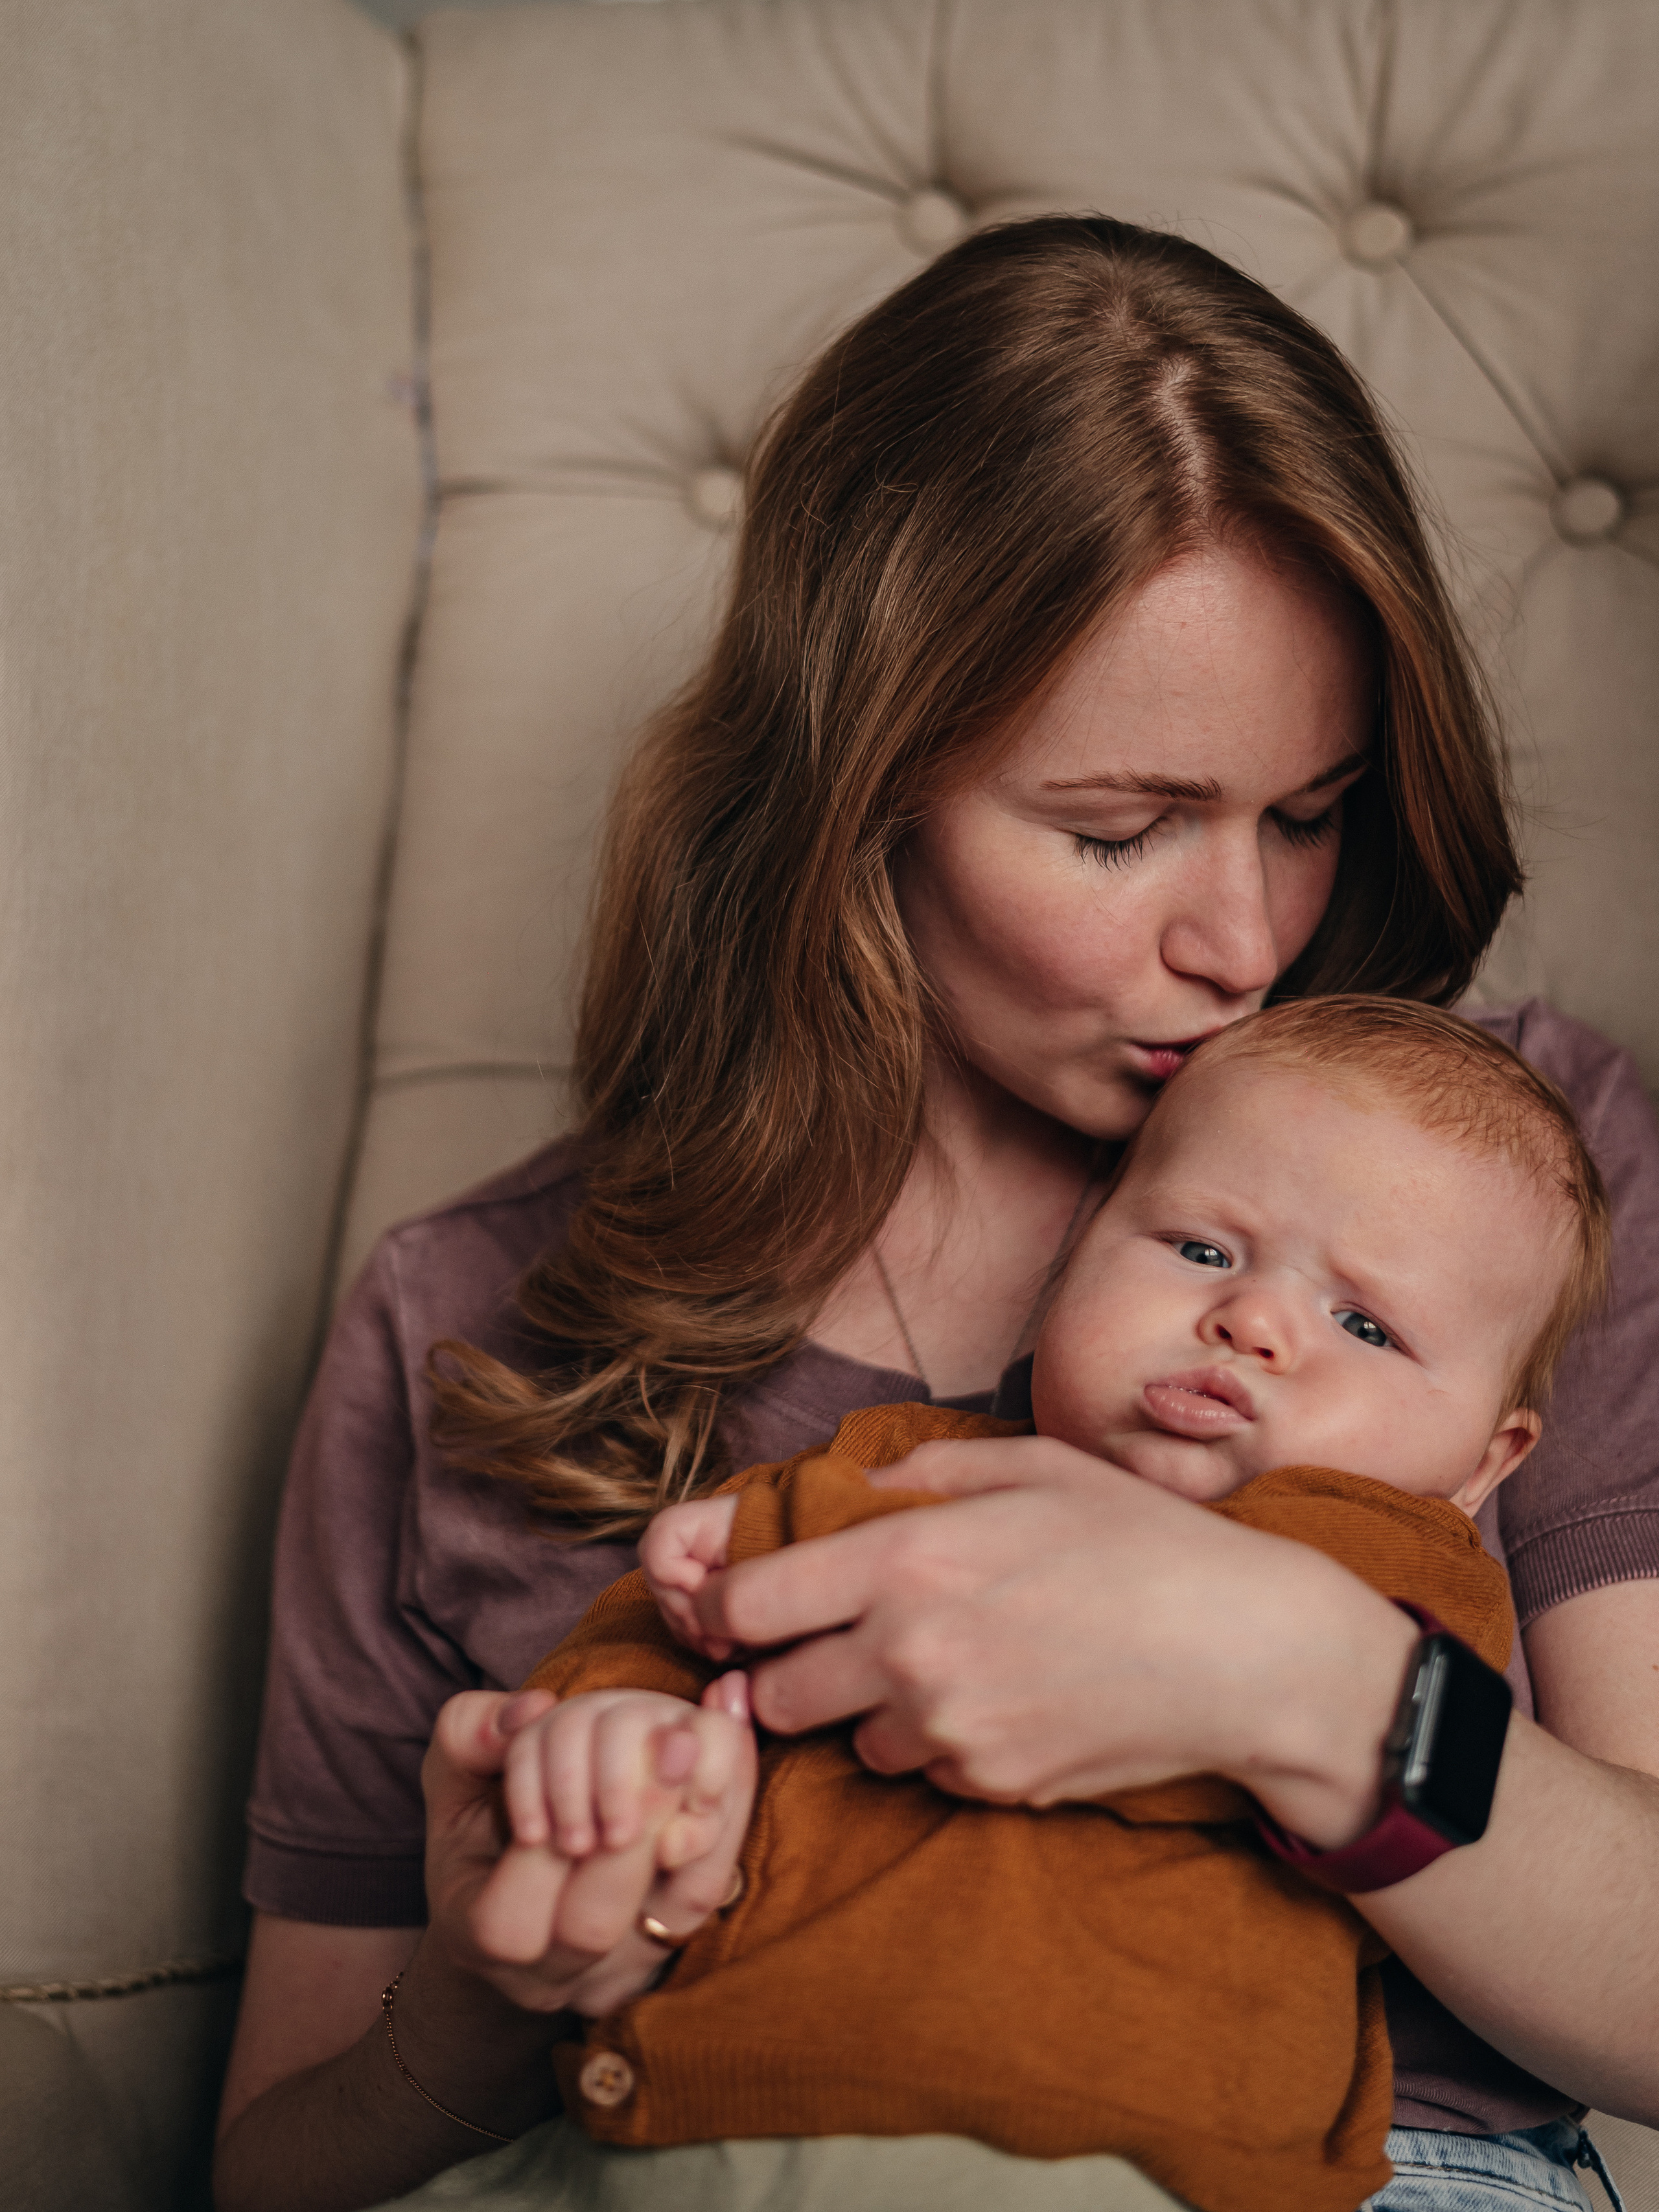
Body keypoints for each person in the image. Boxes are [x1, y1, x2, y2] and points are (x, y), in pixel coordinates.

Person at [212, 217, 1659, 2212]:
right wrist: (492, 1988)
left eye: (1309, 812)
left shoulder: (1501, 1177)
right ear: (858, 783)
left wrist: (1315, 1688)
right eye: (1118, 828)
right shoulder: (473, 1317)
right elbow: (273, 2165)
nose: (1247, 943)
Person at [487, 999, 1607, 2212]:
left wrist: (783, 1537)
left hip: (1133, 2163)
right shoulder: (896, 1458)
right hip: (703, 2116)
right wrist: (614, 1739)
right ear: (1075, 1255)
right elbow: (651, 1637)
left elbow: (1268, 1714)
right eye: (1200, 1250)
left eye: (1364, 1325)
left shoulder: (1394, 1572)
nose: (1252, 1322)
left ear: (1484, 1460)